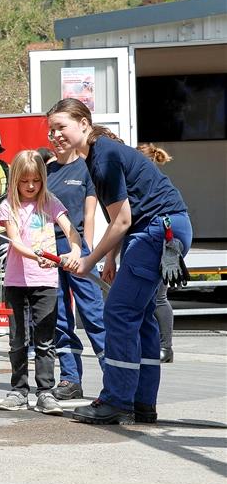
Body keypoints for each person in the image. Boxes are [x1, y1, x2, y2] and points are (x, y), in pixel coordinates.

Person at [47, 99, 191, 425]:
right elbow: (124, 214)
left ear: (84, 124)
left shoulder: (103, 158)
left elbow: (123, 220)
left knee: (119, 312)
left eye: (61, 126)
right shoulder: (100, 155)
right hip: (164, 228)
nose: (55, 135)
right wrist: (110, 257)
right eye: (51, 130)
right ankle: (143, 403)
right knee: (140, 317)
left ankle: (115, 401)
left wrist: (89, 260)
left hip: (157, 231)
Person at [0, 150, 83, 415]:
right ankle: (18, 391)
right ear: (15, 181)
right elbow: (16, 242)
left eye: (36, 180)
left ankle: (45, 392)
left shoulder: (51, 202)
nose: (31, 186)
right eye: (25, 181)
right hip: (16, 281)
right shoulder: (8, 206)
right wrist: (37, 255)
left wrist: (75, 252)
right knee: (18, 339)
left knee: (45, 340)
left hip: (46, 281)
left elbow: (71, 231)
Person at [46, 132, 107, 401]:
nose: (56, 138)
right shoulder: (45, 170)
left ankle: (115, 378)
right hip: (48, 251)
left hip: (78, 250)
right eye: (52, 134)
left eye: (61, 133)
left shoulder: (86, 168)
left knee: (94, 315)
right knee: (59, 317)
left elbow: (90, 214)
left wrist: (86, 252)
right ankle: (70, 379)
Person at [138, 142, 177, 364]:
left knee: (159, 297)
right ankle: (152, 345)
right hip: (145, 243)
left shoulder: (157, 184)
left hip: (161, 242)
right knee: (150, 297)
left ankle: (166, 347)